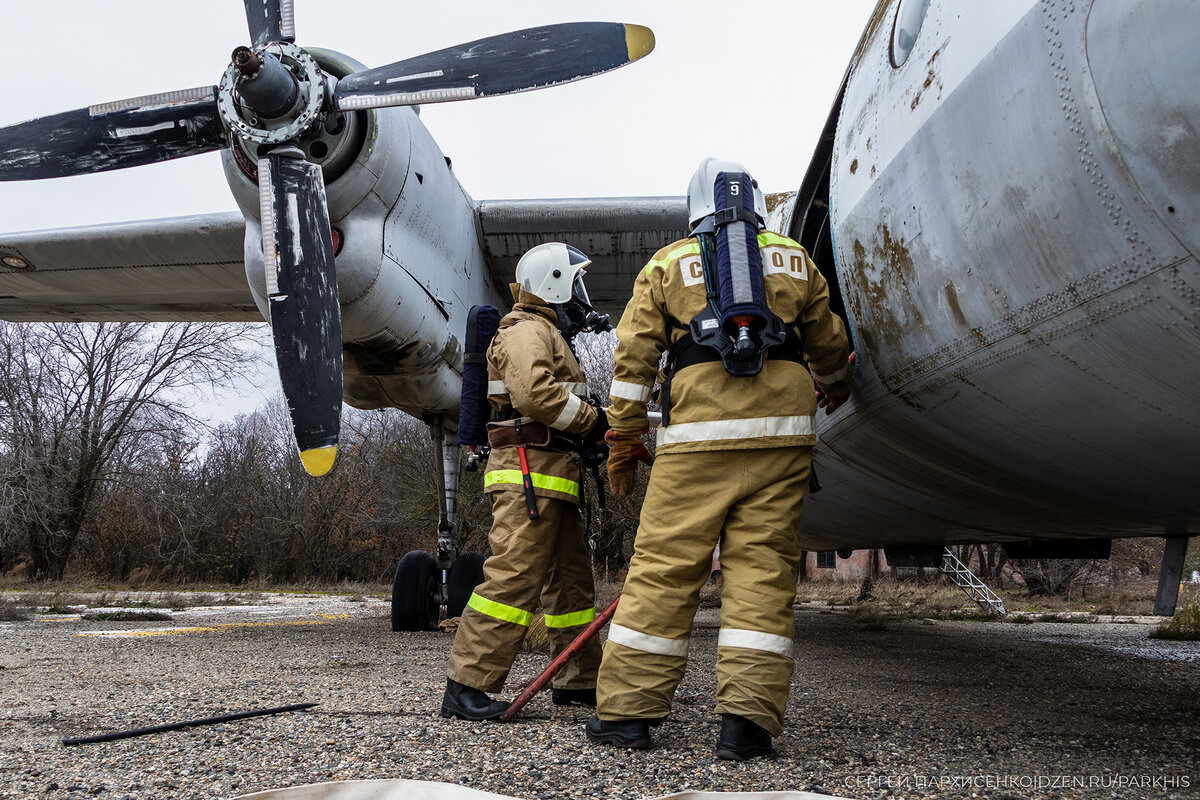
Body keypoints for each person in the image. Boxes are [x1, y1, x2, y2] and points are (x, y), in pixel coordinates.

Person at [586, 158, 854, 758]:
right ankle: (746, 727)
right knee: (762, 574)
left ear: (693, 209)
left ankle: (628, 715)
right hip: (783, 439)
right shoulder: (794, 260)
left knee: (664, 569)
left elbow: (632, 368)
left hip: (697, 442)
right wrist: (833, 387)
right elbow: (831, 349)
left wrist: (625, 441)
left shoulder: (665, 266)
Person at [442, 241, 611, 721]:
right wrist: (594, 423)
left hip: (552, 477)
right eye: (575, 282)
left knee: (572, 587)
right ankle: (466, 685)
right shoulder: (525, 331)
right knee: (513, 578)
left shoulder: (549, 334)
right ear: (553, 283)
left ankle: (578, 680)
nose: (581, 293)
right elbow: (537, 395)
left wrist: (589, 431)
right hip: (527, 477)